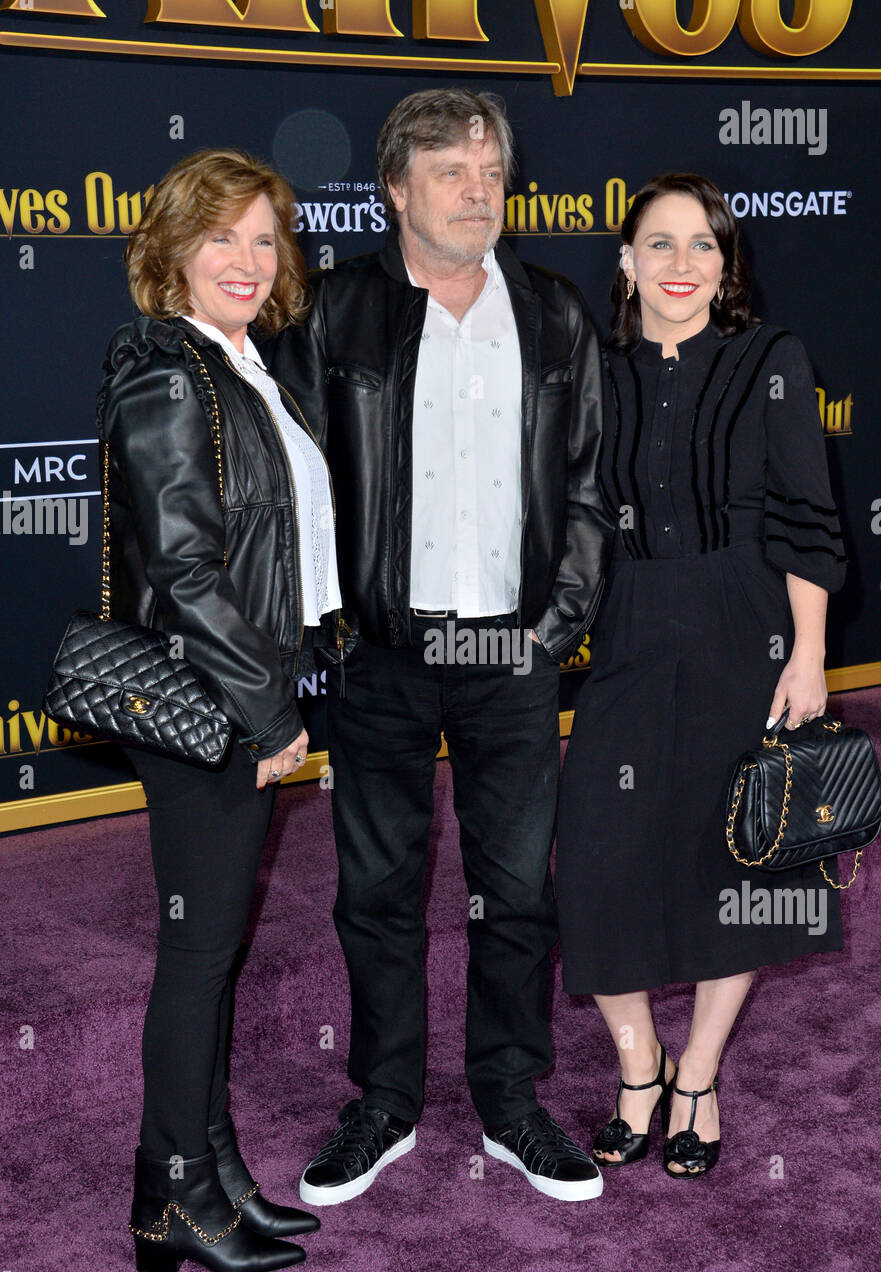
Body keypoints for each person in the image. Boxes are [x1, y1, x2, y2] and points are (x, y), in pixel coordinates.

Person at [272, 89, 608, 1204]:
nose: (479, 193)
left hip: (512, 656)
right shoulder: (334, 313)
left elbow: (587, 490)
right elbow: (295, 489)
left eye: (491, 173)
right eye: (453, 172)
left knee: (516, 890)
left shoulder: (556, 313)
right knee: (377, 890)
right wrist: (330, 631)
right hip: (383, 657)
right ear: (395, 189)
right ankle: (385, 1099)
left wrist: (553, 628)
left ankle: (512, 1099)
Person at [555, 172, 846, 1179]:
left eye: (703, 246)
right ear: (626, 262)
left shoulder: (771, 358)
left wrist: (806, 654)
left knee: (742, 857)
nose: (681, 265)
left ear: (725, 269)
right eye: (660, 244)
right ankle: (638, 1063)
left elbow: (808, 515)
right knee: (596, 852)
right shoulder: (588, 369)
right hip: (628, 622)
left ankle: (698, 1075)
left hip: (745, 624)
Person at [100, 148, 340, 1272]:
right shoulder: (163, 370)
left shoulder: (242, 363)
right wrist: (265, 712)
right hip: (210, 704)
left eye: (262, 238)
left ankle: (215, 1168)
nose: (247, 260)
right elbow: (186, 568)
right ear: (173, 252)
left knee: (218, 948)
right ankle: (169, 1201)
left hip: (245, 688)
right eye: (221, 239)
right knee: (197, 955)